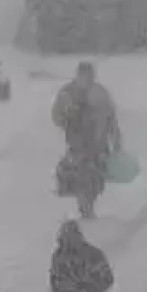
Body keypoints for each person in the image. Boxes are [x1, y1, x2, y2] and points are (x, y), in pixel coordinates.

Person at [52, 61, 122, 221]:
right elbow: (56, 115)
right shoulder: (68, 93)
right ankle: (85, 205)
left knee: (96, 176)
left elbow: (111, 118)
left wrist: (116, 139)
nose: (86, 79)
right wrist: (66, 116)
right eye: (83, 76)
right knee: (82, 173)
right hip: (78, 144)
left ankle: (88, 202)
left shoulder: (101, 94)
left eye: (89, 76)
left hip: (99, 145)